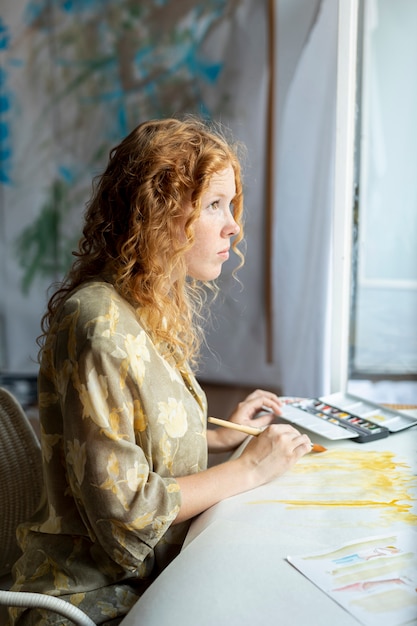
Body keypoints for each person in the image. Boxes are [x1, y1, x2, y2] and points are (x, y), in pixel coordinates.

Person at [10, 116, 311, 625]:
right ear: (160, 210)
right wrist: (248, 468)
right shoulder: (98, 322)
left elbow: (131, 442)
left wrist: (215, 435)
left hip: (148, 578)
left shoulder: (143, 304)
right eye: (215, 205)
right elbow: (128, 518)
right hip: (88, 600)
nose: (233, 225)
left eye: (229, 205)